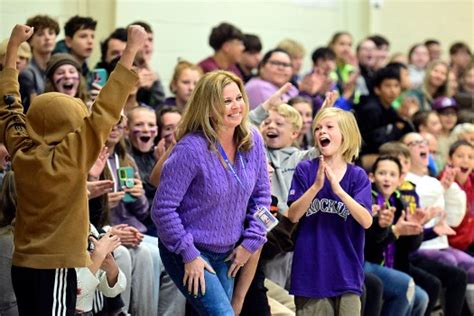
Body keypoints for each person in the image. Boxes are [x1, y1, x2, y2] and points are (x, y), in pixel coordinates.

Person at [0, 24, 146, 315]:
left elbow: (8, 107)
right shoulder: (73, 154)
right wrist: (131, 49)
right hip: (55, 268)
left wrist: (13, 46)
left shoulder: (22, 150)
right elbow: (106, 108)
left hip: (23, 263)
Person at [152, 70, 270, 315]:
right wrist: (189, 254)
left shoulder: (253, 140)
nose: (236, 106)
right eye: (227, 101)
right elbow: (162, 209)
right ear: (208, 107)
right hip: (188, 249)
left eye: (238, 98)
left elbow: (262, 198)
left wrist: (252, 240)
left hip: (228, 251)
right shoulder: (190, 148)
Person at [287, 107, 373, 315]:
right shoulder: (305, 170)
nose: (321, 131)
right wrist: (316, 187)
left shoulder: (358, 176)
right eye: (317, 128)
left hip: (347, 273)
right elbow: (293, 215)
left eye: (328, 127)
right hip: (311, 275)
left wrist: (339, 191)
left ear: (346, 134)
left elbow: (366, 221)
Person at [365, 156, 428, 316]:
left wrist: (415, 230)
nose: (387, 178)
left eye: (392, 174)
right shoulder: (367, 200)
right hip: (365, 262)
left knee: (422, 298)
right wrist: (392, 231)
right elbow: (368, 246)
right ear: (372, 177)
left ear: (400, 180)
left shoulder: (399, 202)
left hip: (390, 266)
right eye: (382, 173)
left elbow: (410, 248)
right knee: (406, 285)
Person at [19, 14, 59, 111]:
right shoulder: (27, 72)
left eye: (51, 33)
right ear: (30, 41)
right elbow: (35, 108)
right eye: (40, 34)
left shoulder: (59, 66)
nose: (47, 38)